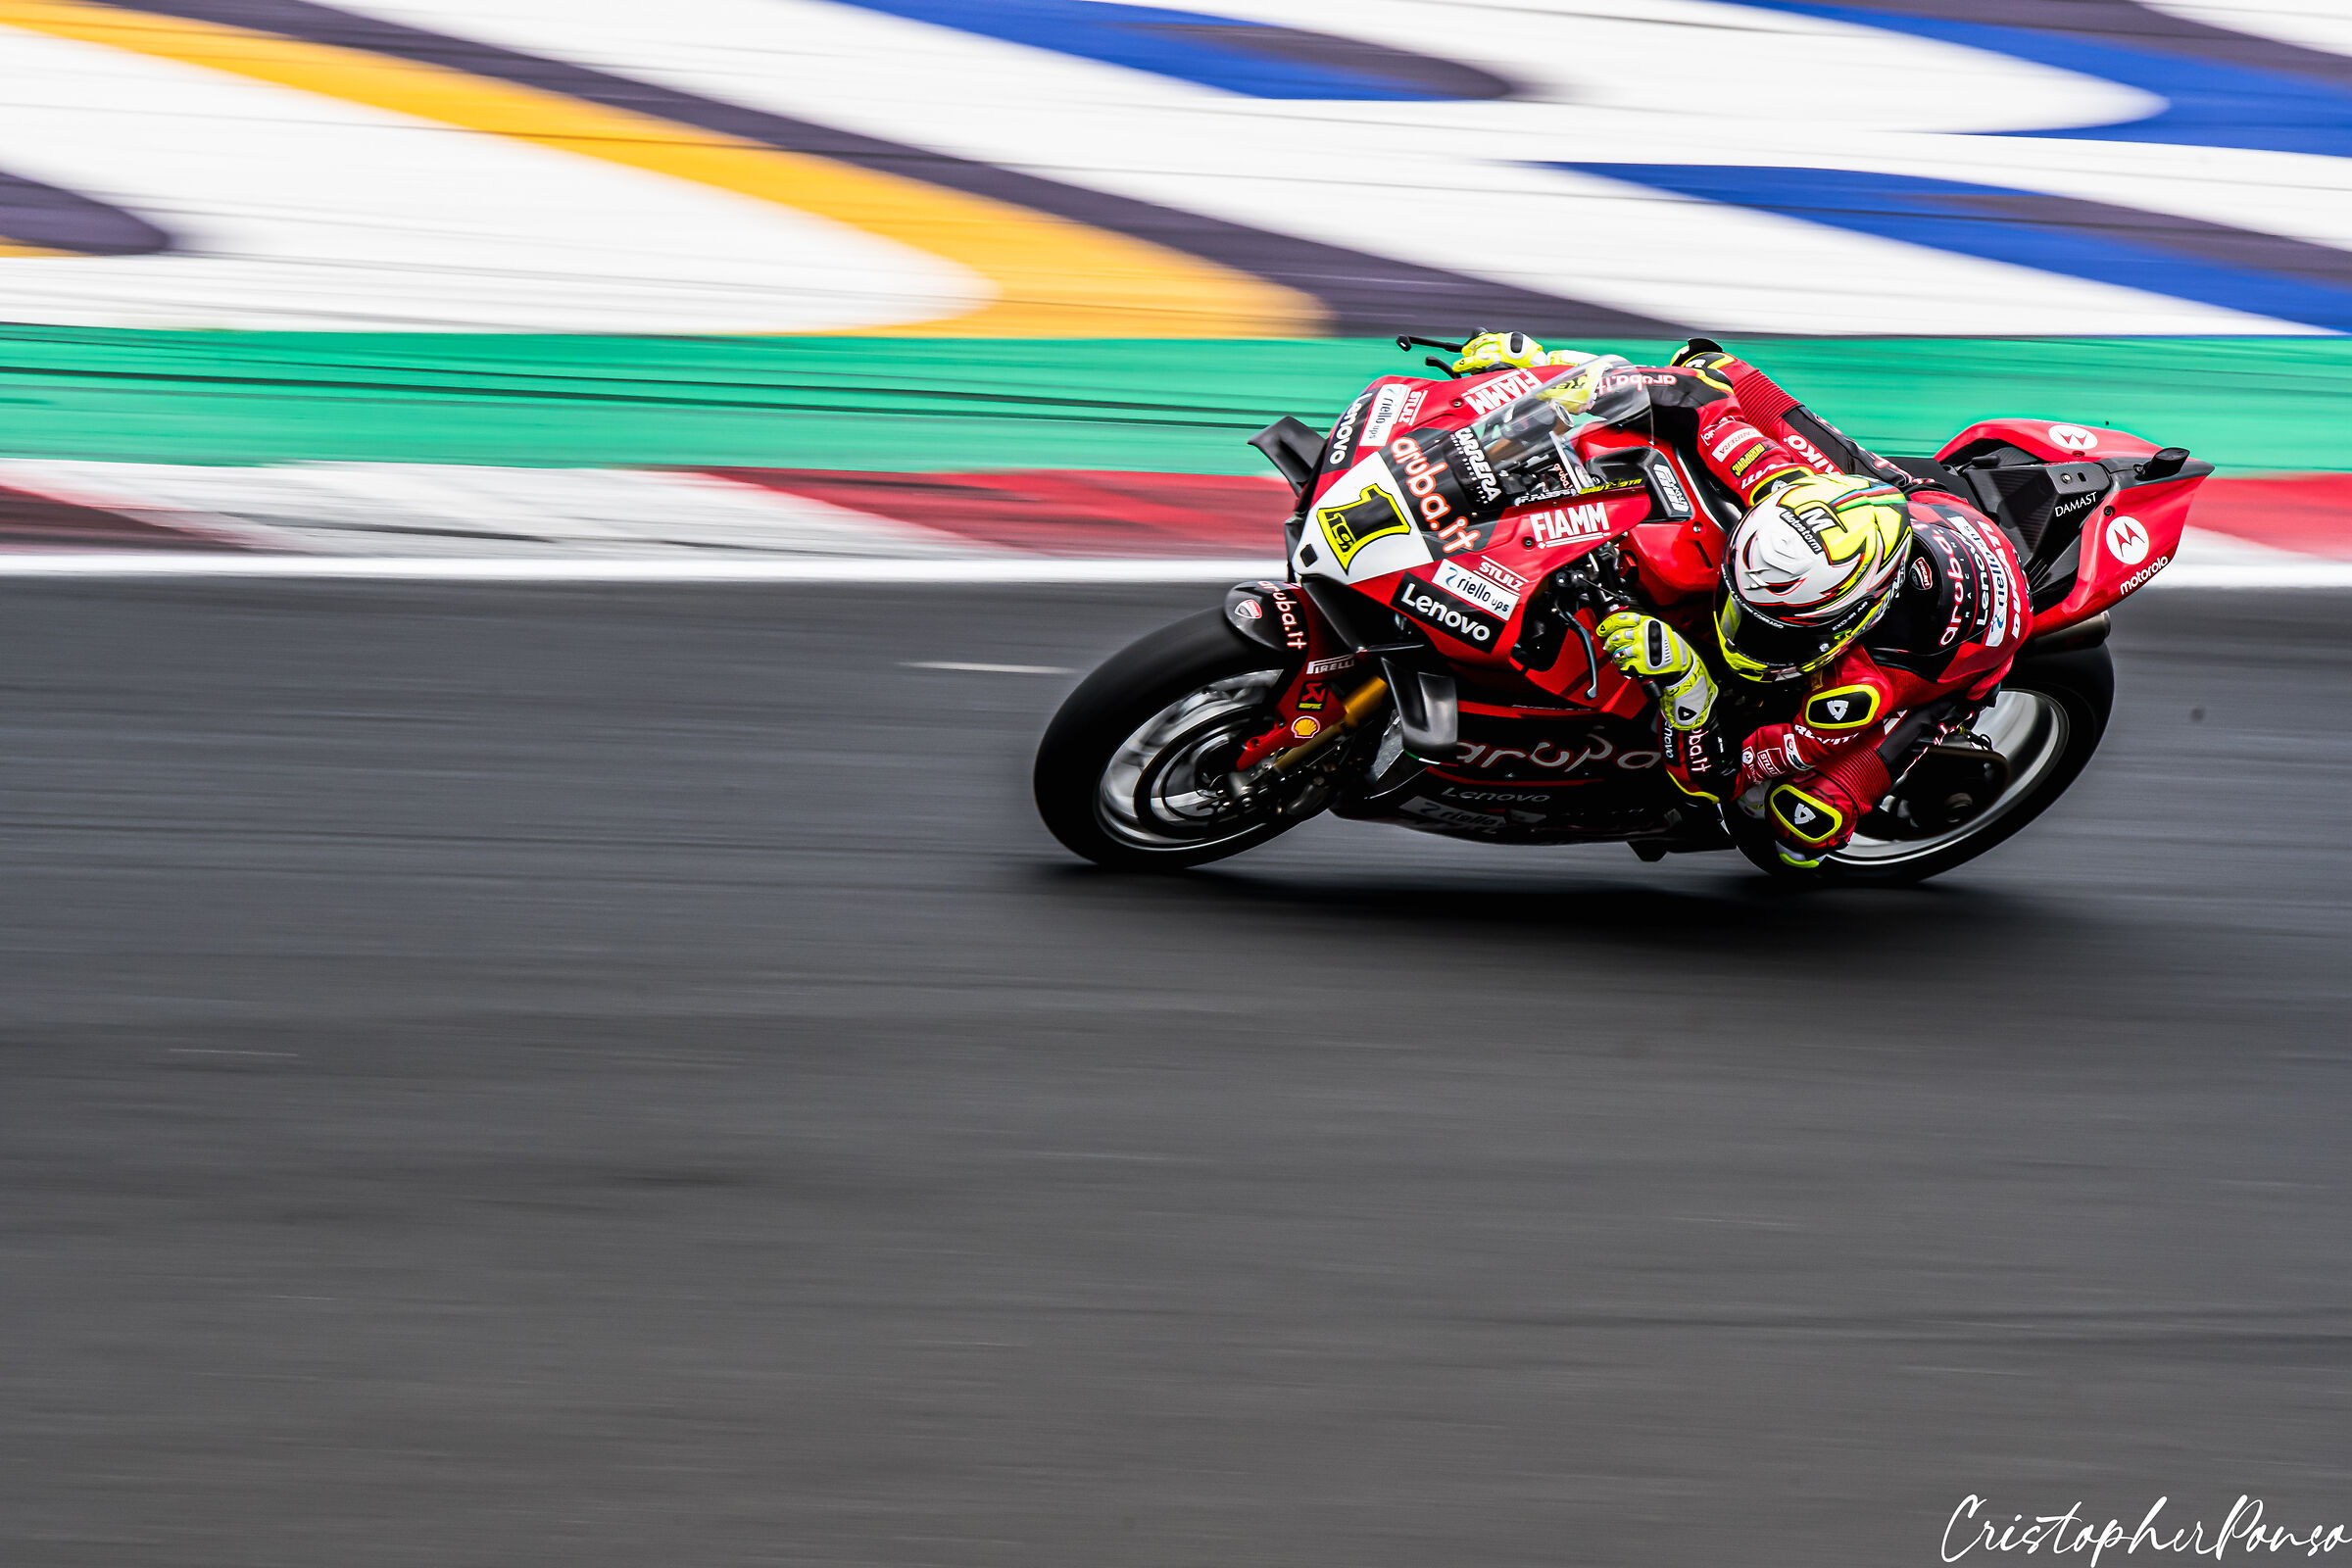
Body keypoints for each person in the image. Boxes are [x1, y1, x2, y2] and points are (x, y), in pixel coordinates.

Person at [1446, 330, 2032, 868]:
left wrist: (1689, 691)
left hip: (1962, 661)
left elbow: (1724, 775)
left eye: (1774, 632)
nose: (1741, 635)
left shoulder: (1855, 692)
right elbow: (1695, 397)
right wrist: (1550, 371)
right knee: (1710, 363)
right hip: (1919, 505)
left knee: (1802, 827)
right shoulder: (1776, 481)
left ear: (1849, 623)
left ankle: (1929, 744)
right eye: (1740, 604)